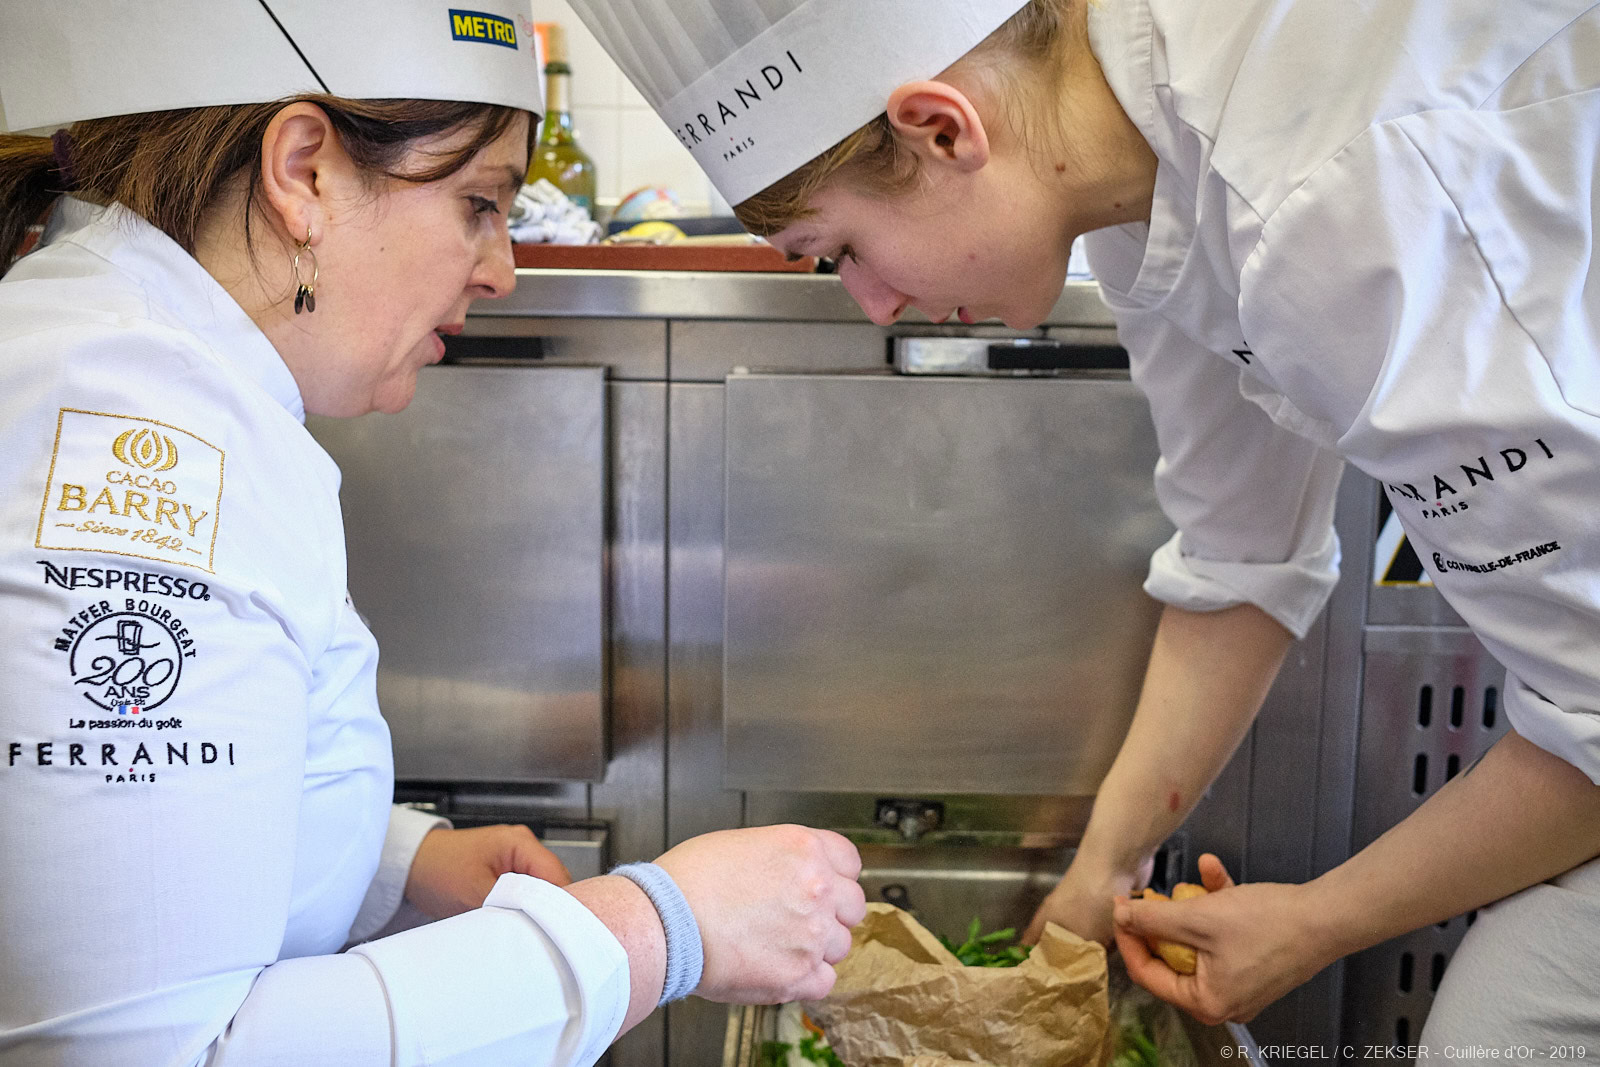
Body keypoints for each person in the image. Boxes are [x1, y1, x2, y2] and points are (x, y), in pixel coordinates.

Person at [569, 0, 1600, 1055]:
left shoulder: (1337, 193)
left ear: (942, 130)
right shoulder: (1137, 200)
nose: (872, 304)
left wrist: (1317, 921)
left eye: (839, 251)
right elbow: (1241, 559)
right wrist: (1093, 885)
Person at [0, 3, 865, 1064]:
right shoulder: (121, 441)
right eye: (479, 204)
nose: (500, 269)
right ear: (305, 172)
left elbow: (149, 833)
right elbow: (141, 1050)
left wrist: (393, 862)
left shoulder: (157, 375)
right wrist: (656, 927)